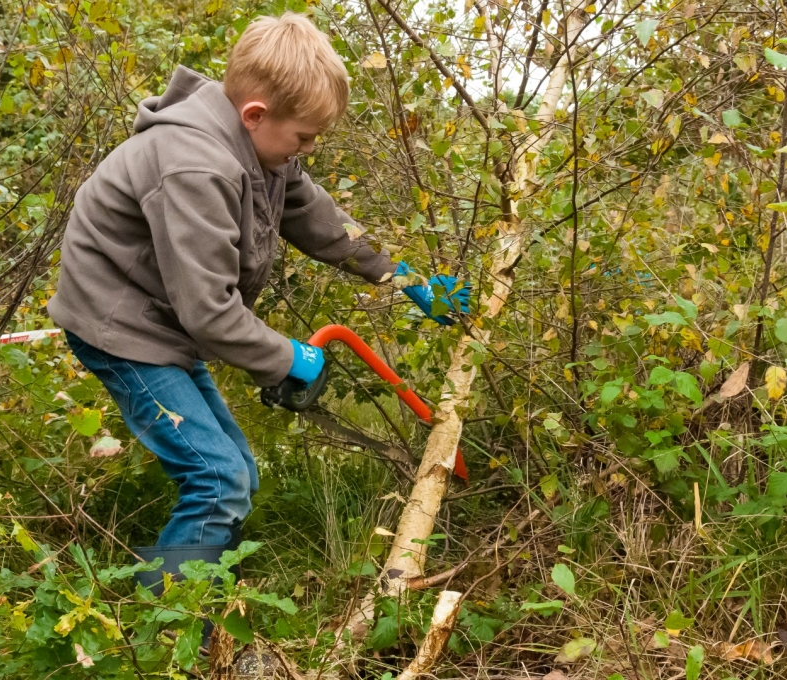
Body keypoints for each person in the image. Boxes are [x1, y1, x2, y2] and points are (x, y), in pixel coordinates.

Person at [47, 13, 470, 588]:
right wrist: (289, 356)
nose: (308, 149)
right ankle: (161, 623)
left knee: (237, 473)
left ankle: (202, 595)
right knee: (217, 481)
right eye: (304, 136)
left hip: (163, 321)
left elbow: (318, 218)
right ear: (255, 114)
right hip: (121, 329)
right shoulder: (195, 165)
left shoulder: (258, 150)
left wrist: (404, 278)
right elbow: (209, 310)